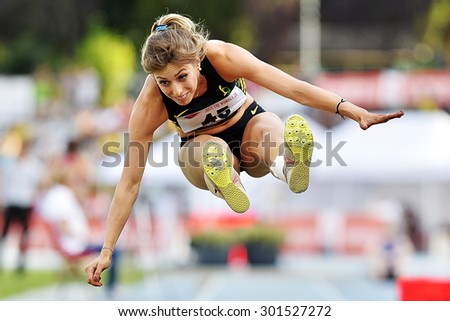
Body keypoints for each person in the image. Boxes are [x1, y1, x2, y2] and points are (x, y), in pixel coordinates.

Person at [85, 13, 403, 287]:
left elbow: (291, 87)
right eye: (164, 82)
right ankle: (227, 180)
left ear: (197, 60)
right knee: (213, 150)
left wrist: (350, 110)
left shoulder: (222, 57)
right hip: (200, 151)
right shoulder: (150, 103)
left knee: (268, 129)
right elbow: (129, 180)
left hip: (250, 130)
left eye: (182, 77)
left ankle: (289, 166)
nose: (177, 91)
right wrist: (107, 249)